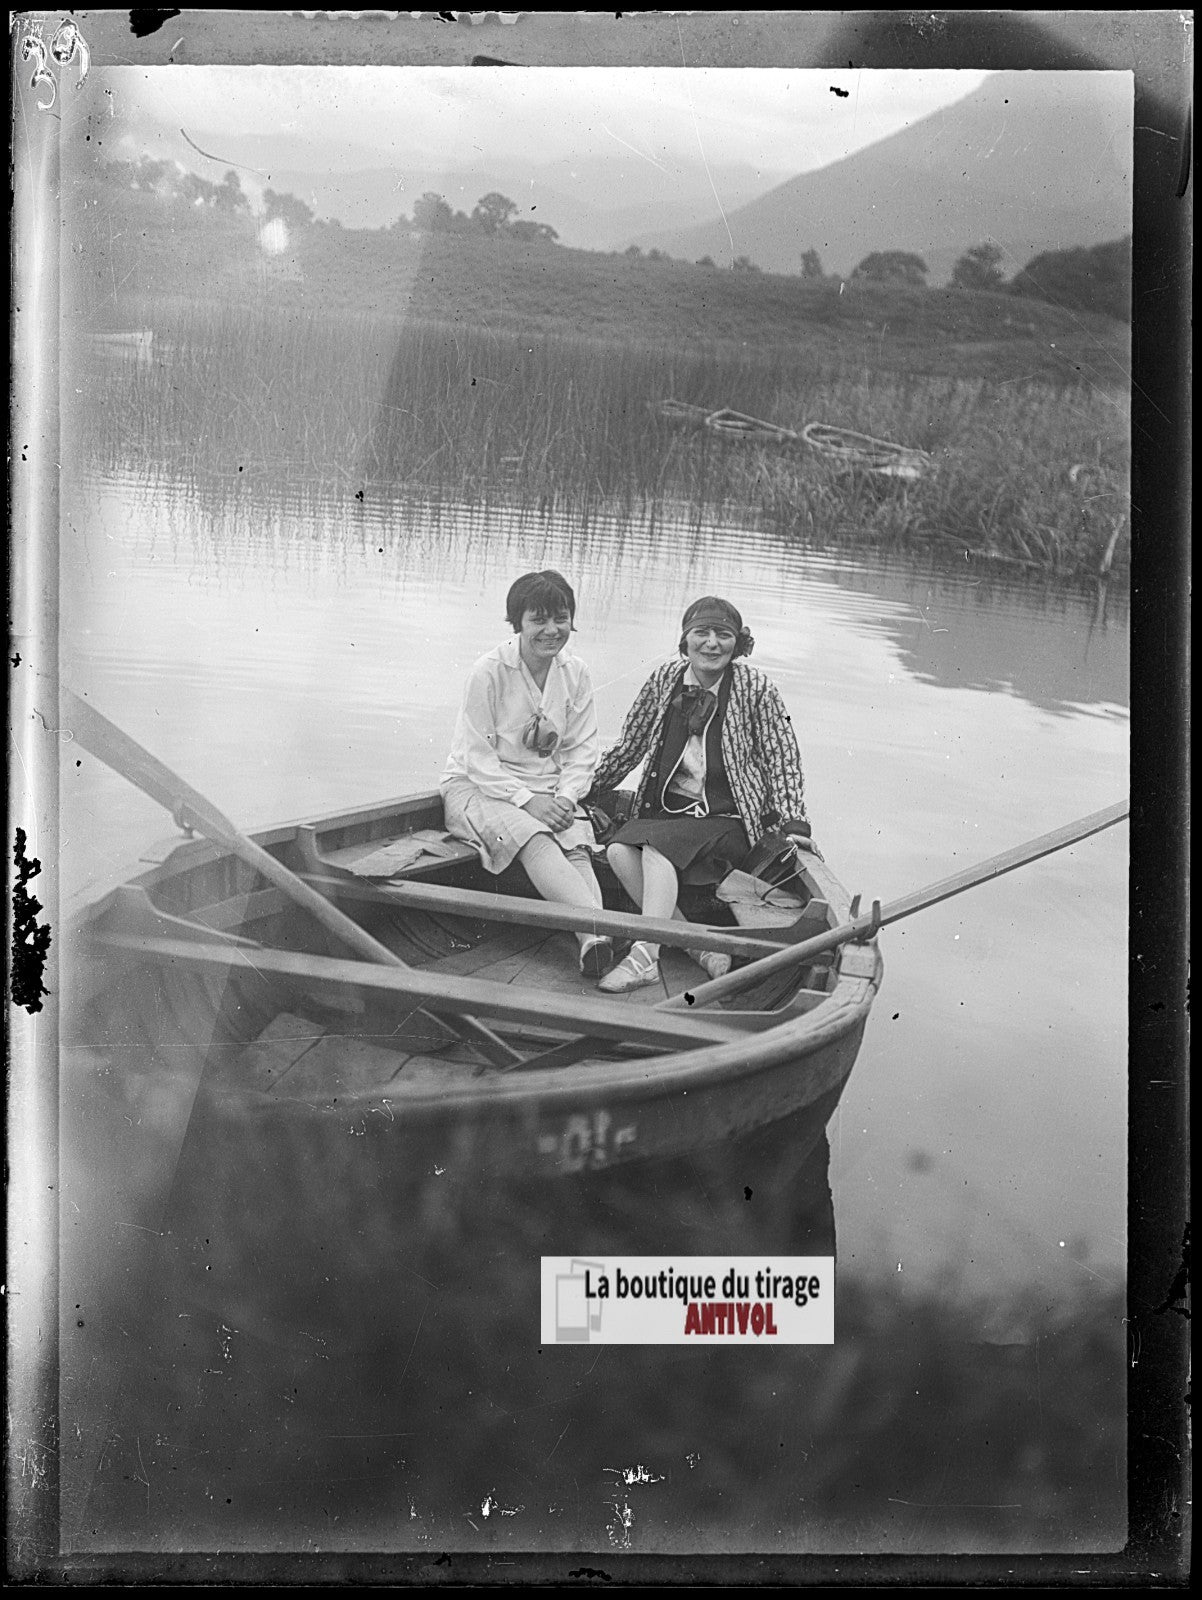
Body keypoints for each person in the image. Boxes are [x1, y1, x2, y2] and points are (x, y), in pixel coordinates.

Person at [586, 595, 813, 994]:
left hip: (728, 821)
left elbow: (782, 757)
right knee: (620, 852)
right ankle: (699, 949)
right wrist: (583, 790)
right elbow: (630, 746)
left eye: (723, 635)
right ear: (685, 640)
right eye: (701, 633)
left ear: (738, 643)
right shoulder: (663, 680)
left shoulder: (756, 687)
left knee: (658, 850)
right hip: (667, 817)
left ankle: (645, 957)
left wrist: (794, 822)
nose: (712, 643)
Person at [441, 570, 613, 977]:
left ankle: (593, 941)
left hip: (547, 790)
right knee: (534, 834)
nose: (551, 630)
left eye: (561, 618)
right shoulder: (489, 671)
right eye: (538, 620)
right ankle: (600, 930)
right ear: (517, 622)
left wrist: (566, 799)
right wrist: (530, 802)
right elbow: (477, 758)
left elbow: (582, 751)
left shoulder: (576, 672)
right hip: (477, 788)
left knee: (573, 839)